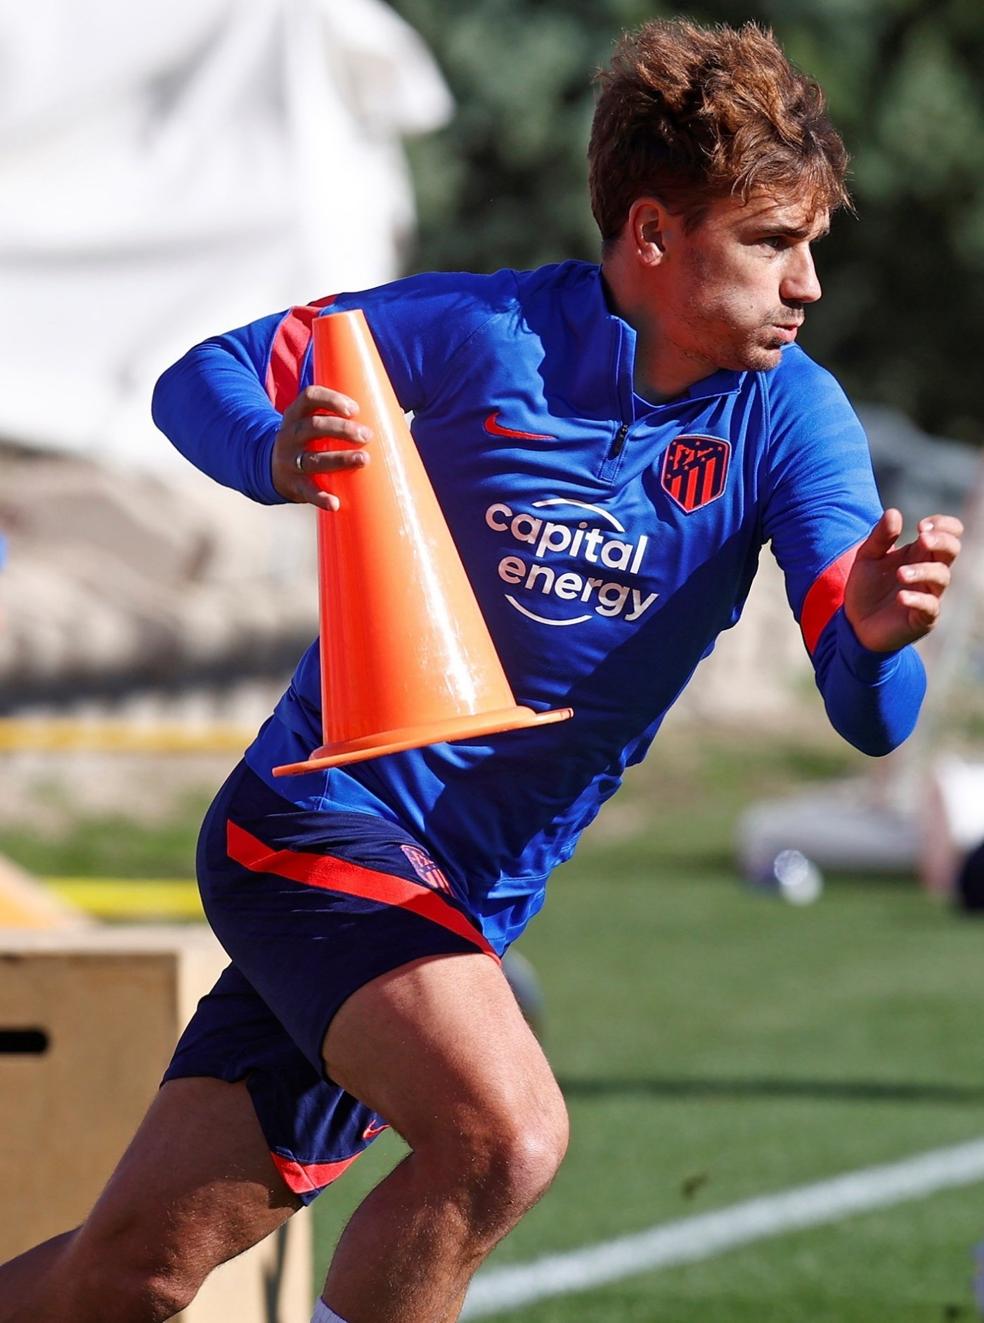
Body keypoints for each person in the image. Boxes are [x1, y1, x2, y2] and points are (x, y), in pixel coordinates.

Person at [0, 18, 963, 1323]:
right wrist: (275, 453)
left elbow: (868, 711)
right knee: (505, 1135)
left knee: (132, 1274)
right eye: (770, 244)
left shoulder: (792, 418)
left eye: (811, 249)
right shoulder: (477, 333)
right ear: (653, 235)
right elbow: (203, 374)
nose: (806, 286)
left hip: (461, 903)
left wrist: (877, 634)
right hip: (315, 826)